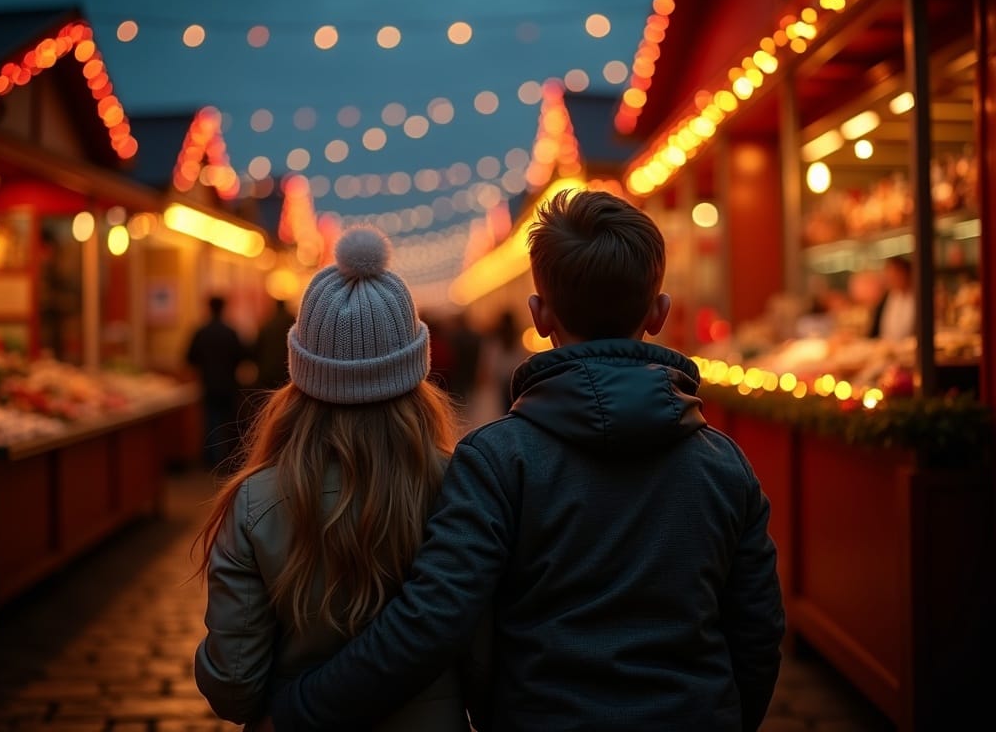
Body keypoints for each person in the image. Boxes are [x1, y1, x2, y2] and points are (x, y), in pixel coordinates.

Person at [269, 189, 786, 731]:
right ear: (658, 313)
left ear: (539, 315)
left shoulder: (497, 460)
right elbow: (758, 631)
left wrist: (298, 707)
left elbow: (431, 623)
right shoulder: (724, 463)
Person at [192, 227, 478, 731]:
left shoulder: (254, 501)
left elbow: (233, 687)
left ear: (301, 374)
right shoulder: (461, 485)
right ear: (415, 372)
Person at [186, 295, 247, 473]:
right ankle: (227, 458)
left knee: (210, 422)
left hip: (208, 384)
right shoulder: (230, 332)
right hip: (229, 384)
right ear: (223, 308)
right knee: (228, 422)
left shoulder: (200, 332)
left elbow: (189, 357)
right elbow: (243, 356)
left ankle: (212, 459)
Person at [868, 255, 915, 341]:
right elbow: (874, 331)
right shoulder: (887, 297)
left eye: (896, 273)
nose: (891, 277)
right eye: (889, 273)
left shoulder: (917, 297)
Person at [251, 299, 295, 390]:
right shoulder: (291, 322)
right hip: (287, 370)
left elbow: (257, 349)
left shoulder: (267, 323)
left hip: (269, 371)